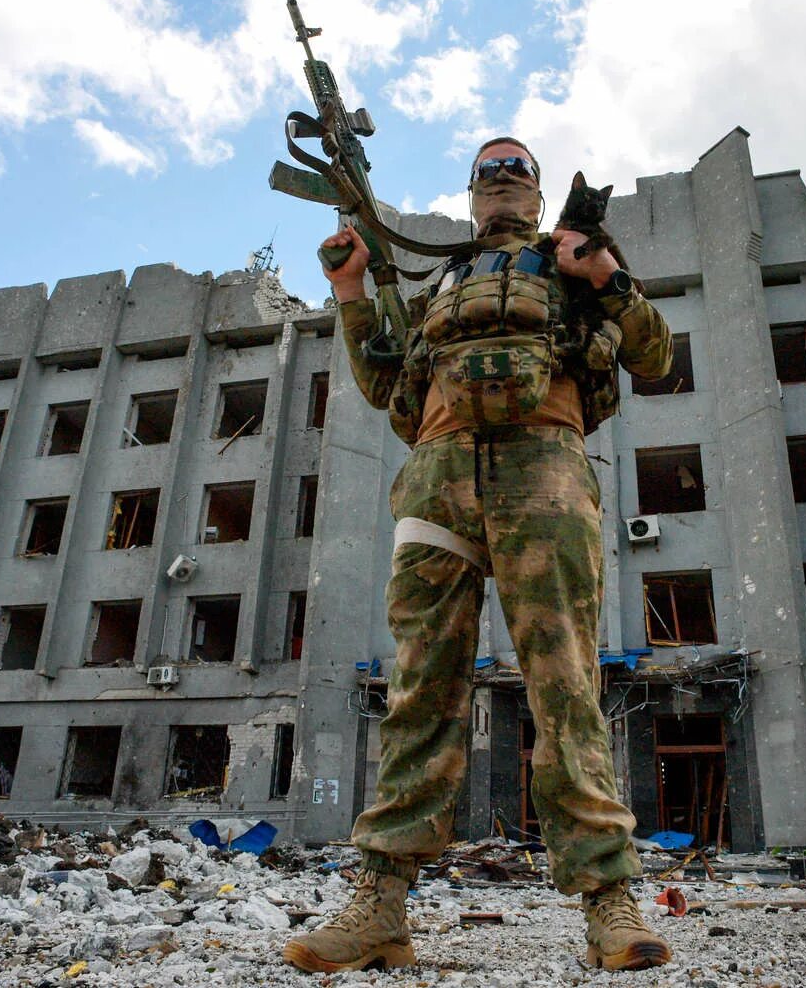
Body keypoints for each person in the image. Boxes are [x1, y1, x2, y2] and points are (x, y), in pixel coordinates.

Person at [282, 138, 674, 974]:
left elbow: (656, 356)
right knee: (419, 689)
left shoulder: (574, 260)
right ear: (470, 193)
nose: (502, 179)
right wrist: (352, 288)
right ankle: (380, 905)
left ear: (537, 192)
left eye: (517, 169)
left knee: (565, 681)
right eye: (488, 170)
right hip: (438, 473)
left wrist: (601, 269)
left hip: (545, 463)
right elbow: (390, 389)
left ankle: (609, 902)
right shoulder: (439, 283)